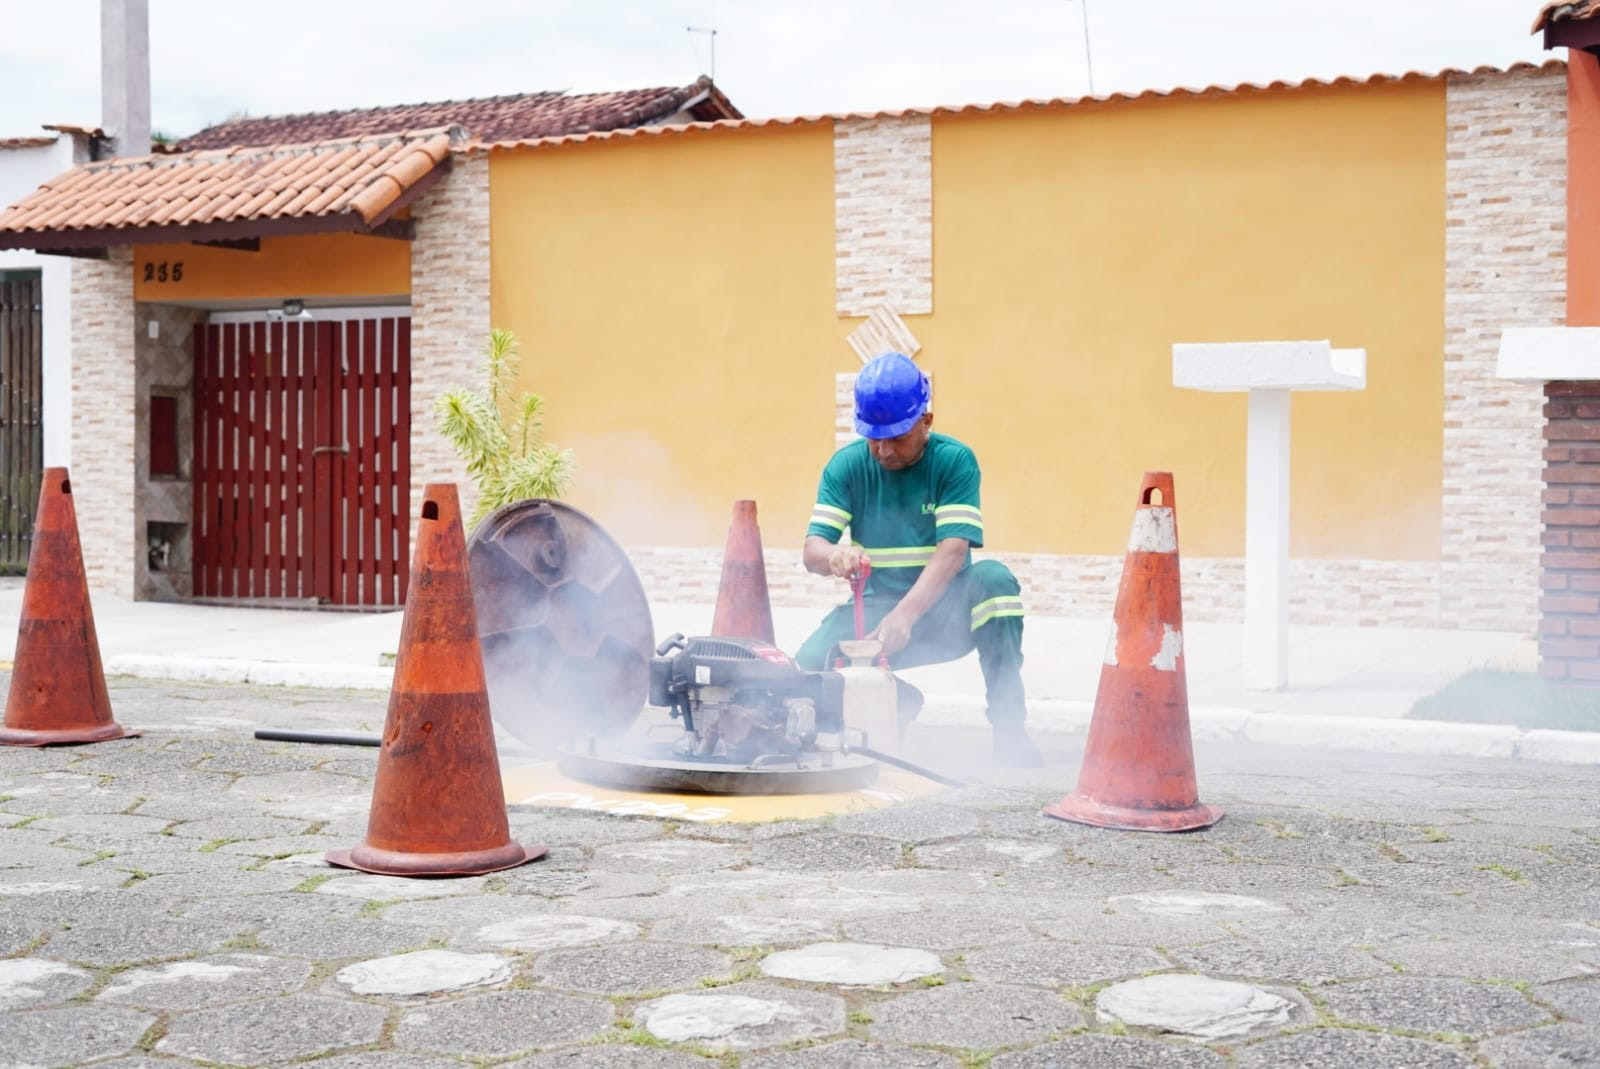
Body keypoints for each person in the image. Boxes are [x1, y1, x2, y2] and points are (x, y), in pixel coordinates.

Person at [795, 351, 1043, 767]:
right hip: (875, 610)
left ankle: (1010, 732)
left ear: (926, 421)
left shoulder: (954, 461)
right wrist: (834, 554)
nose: (884, 450)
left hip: (945, 608)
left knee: (995, 583)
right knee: (804, 671)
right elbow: (811, 550)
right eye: (873, 437)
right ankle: (899, 703)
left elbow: (953, 553)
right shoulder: (847, 466)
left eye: (897, 437)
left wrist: (906, 615)